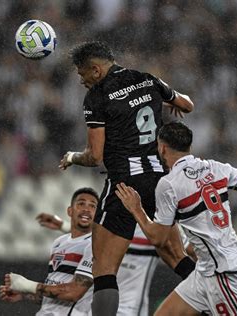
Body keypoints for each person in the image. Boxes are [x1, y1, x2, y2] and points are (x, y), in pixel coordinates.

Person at [58, 41, 196, 315]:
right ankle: (224, 304)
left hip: (124, 185)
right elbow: (186, 104)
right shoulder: (147, 79)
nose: (81, 80)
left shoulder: (97, 96)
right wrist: (168, 102)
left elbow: (95, 156)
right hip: (160, 182)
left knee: (104, 269)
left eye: (81, 73)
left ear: (96, 70)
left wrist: (73, 157)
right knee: (176, 257)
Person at [115, 121, 237, 315]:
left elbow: (158, 238)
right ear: (189, 146)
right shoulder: (216, 168)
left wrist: (136, 210)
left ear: (162, 148)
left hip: (226, 275)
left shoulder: (169, 184)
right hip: (205, 273)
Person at [36, 212, 160, 316]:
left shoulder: (155, 226)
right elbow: (100, 238)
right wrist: (64, 226)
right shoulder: (116, 218)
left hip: (129, 310)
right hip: (100, 308)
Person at [0, 187, 98, 315]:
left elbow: (73, 293)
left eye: (92, 206)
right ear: (70, 211)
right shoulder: (59, 242)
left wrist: (27, 285)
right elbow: (52, 295)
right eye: (81, 204)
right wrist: (25, 294)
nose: (86, 209)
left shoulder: (95, 245)